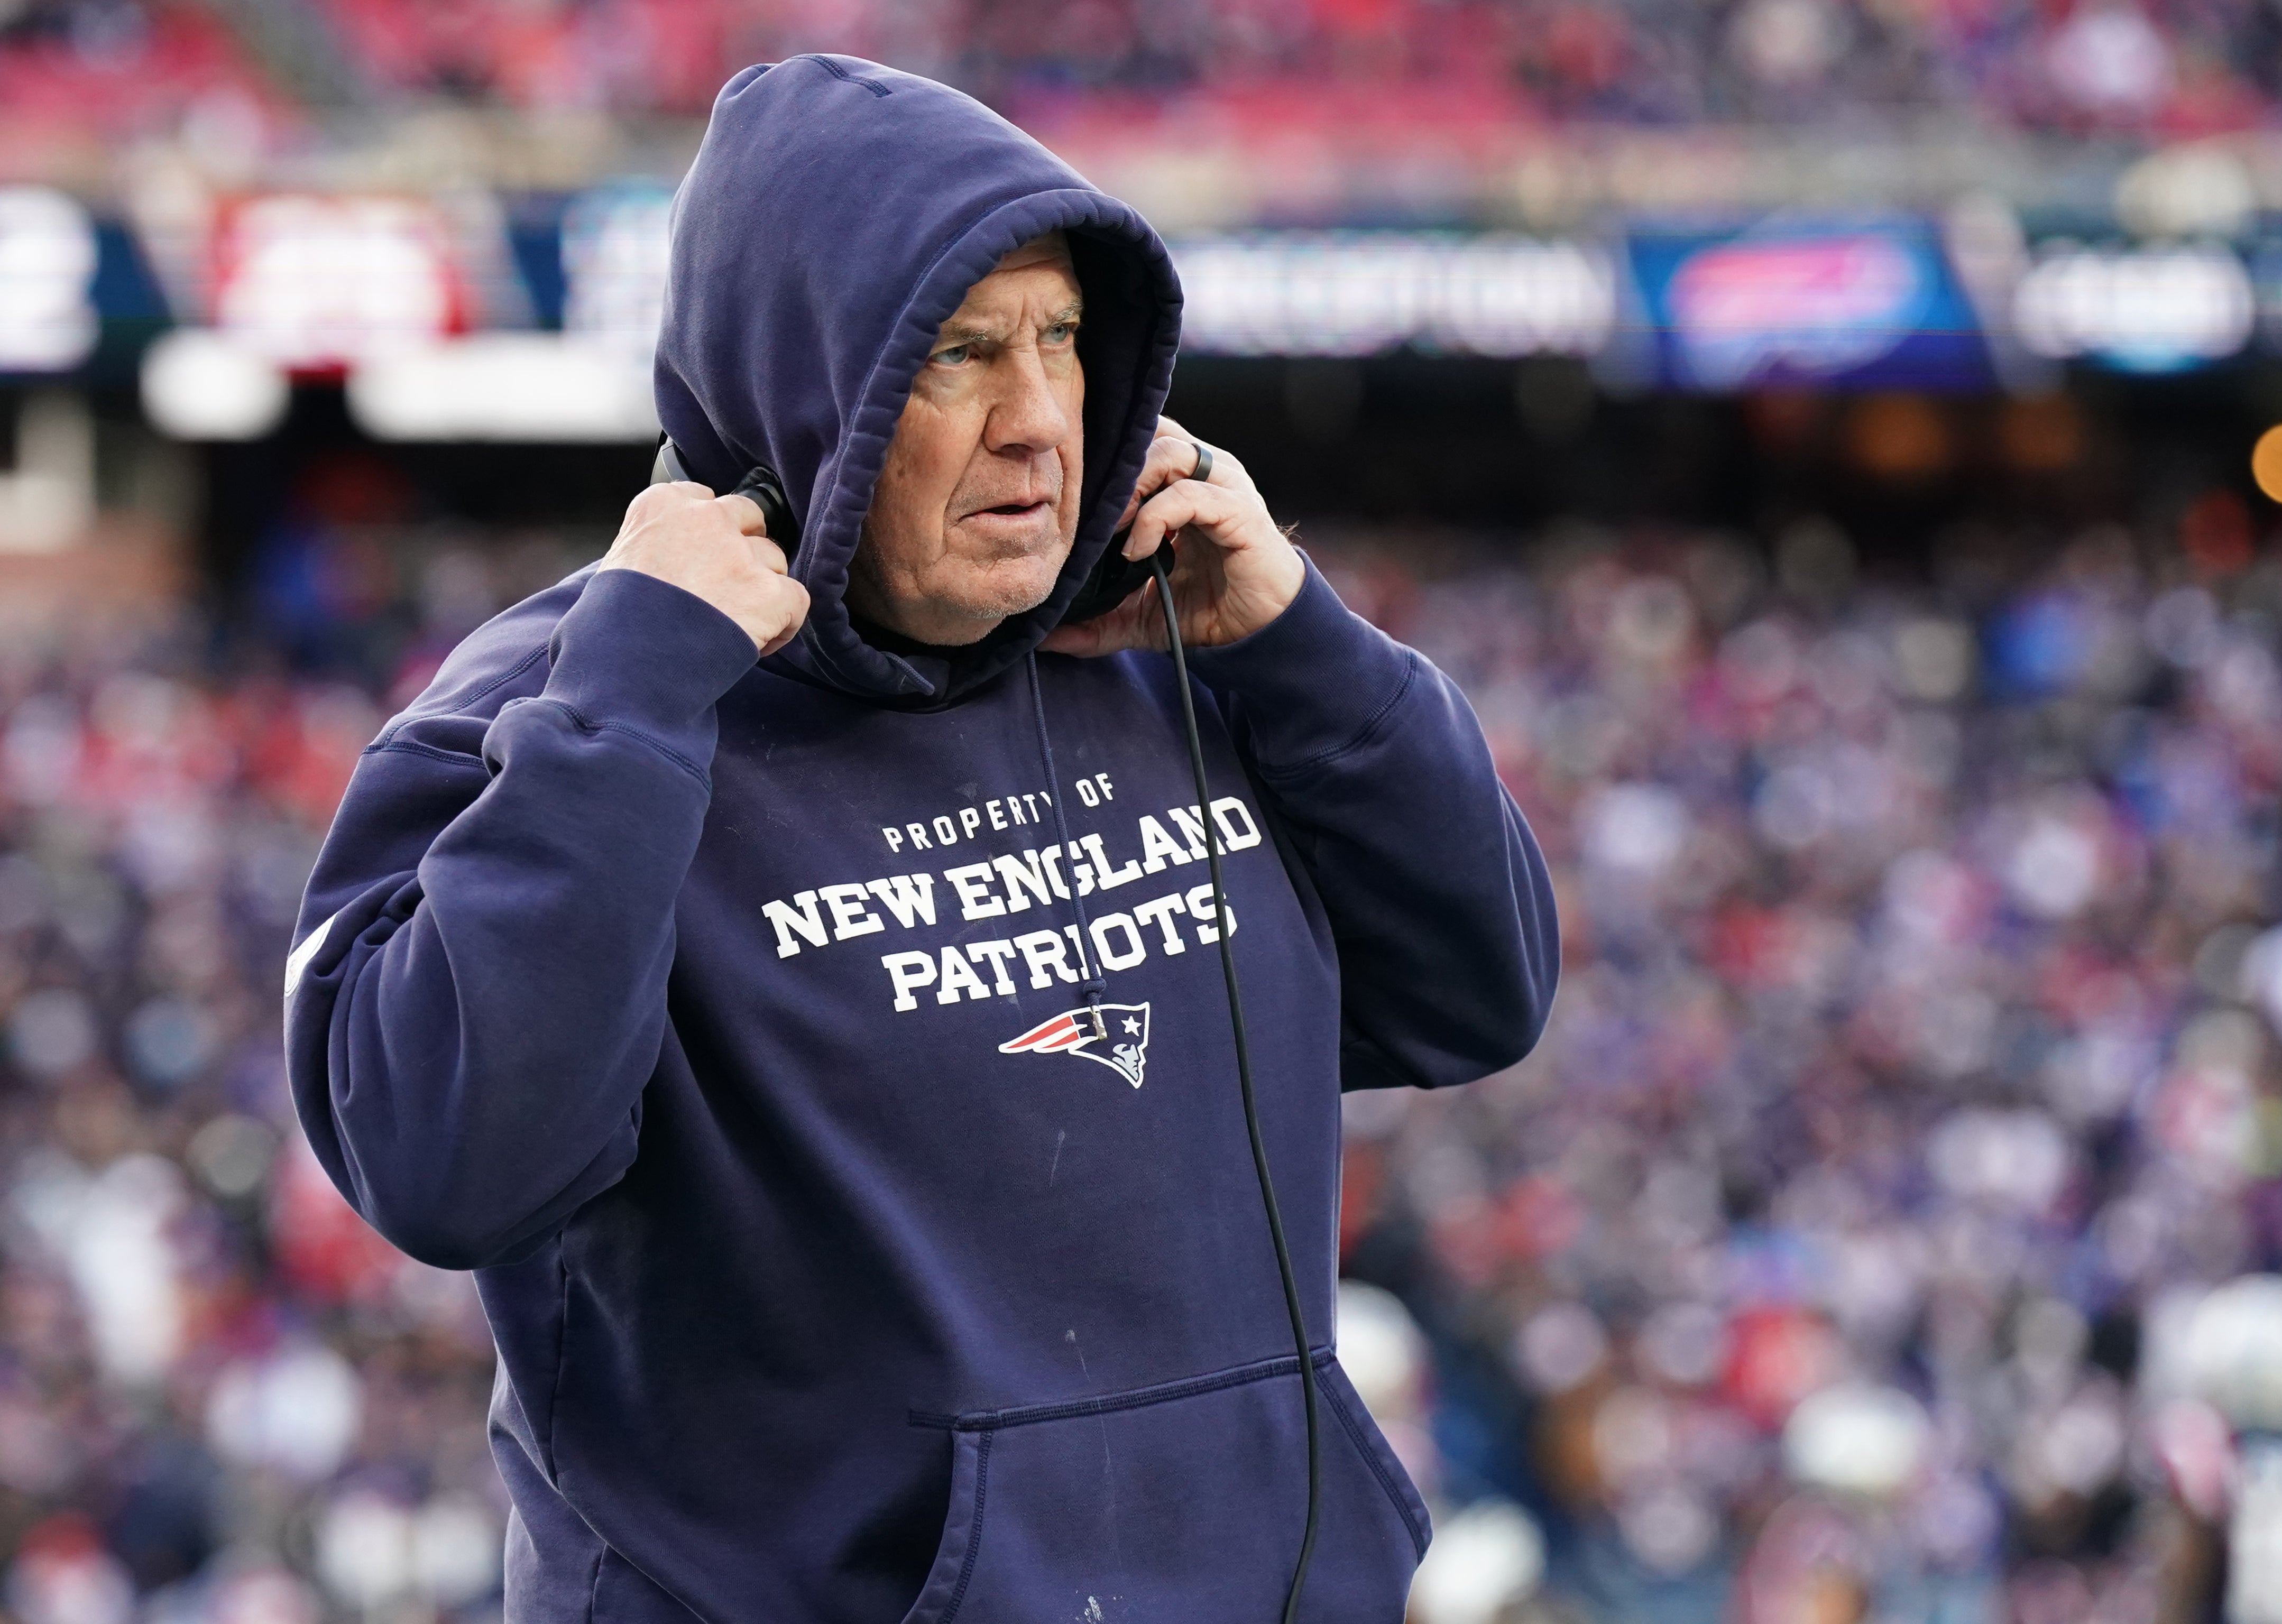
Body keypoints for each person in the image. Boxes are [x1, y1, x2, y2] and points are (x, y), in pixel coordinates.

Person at [284, 54, 1558, 1624]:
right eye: (962, 354)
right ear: (811, 384)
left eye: (1066, 342)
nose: (1041, 425)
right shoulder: (552, 716)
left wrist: (1311, 653)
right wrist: (630, 706)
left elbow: (1477, 995)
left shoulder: (1171, 639)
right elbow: (444, 1162)